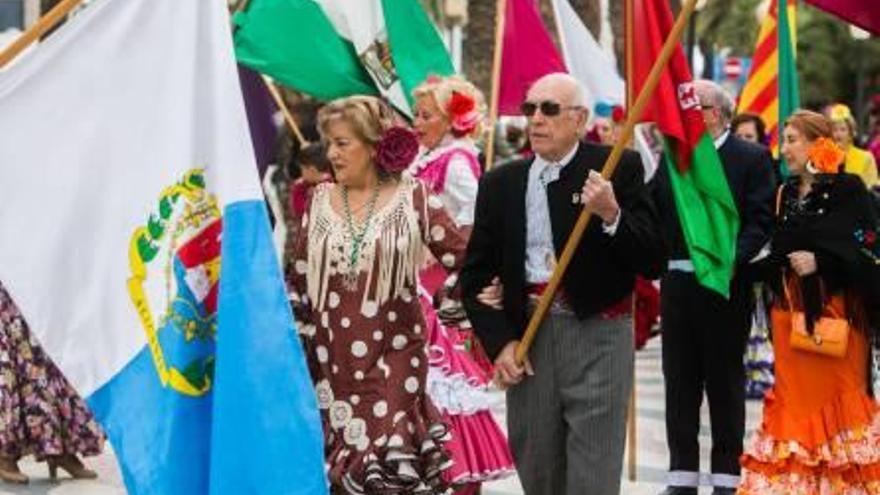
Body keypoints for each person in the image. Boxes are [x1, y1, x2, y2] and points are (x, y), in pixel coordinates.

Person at [461, 73, 666, 495]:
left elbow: (652, 258)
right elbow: (476, 275)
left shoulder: (615, 167)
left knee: (592, 474)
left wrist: (612, 214)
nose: (536, 119)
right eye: (530, 108)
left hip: (598, 335)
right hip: (530, 340)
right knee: (539, 470)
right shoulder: (501, 182)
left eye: (549, 109)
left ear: (579, 119)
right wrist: (501, 344)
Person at [289, 95, 468, 494]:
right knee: (344, 474)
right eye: (329, 143)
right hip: (332, 362)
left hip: (394, 357)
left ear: (373, 145)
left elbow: (464, 258)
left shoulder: (415, 196)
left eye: (342, 143)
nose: (331, 154)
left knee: (387, 467)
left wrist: (454, 301)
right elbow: (298, 280)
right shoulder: (318, 200)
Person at [738, 110, 880, 494]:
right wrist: (735, 271)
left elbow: (866, 247)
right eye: (783, 139)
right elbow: (779, 252)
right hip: (791, 322)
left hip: (837, 321)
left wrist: (824, 261)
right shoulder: (784, 193)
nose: (784, 149)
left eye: (792, 139)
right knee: (792, 414)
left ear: (818, 143)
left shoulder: (849, 189)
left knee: (839, 415)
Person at [653, 80, 776, 495]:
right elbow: (653, 212)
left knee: (723, 382)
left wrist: (725, 265)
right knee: (679, 379)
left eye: (695, 107)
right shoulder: (674, 158)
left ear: (718, 113)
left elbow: (760, 222)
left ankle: (726, 475)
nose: (687, 114)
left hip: (727, 285)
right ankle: (681, 475)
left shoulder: (752, 157)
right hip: (678, 283)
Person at [409, 75, 515, 492]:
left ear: (452, 120)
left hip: (443, 293)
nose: (417, 122)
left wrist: (441, 272)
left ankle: (461, 474)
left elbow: (474, 228)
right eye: (416, 113)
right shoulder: (426, 158)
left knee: (449, 392)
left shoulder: (455, 162)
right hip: (419, 285)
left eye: (426, 115)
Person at [0, 281, 104, 484]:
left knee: (44, 356)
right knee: (10, 361)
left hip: (27, 274)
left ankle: (58, 448)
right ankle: (5, 451)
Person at [827, 103, 879, 189]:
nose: (838, 134)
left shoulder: (866, 158)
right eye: (834, 129)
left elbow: (873, 189)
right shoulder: (824, 159)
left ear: (851, 133)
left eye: (843, 129)